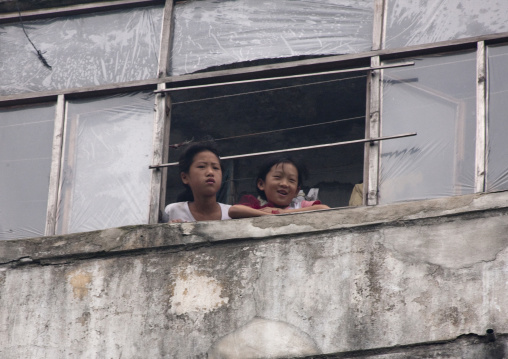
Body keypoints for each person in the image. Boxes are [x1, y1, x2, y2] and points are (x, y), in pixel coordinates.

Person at [229, 156, 329, 219]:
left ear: (296, 191)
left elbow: (324, 209)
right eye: (277, 177)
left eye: (291, 180)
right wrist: (271, 215)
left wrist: (285, 212)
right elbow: (234, 210)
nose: (284, 184)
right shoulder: (260, 209)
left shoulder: (301, 206)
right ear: (261, 184)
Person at [162, 142, 231, 223]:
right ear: (185, 177)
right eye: (201, 166)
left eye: (215, 168)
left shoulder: (231, 213)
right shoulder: (173, 211)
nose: (210, 172)